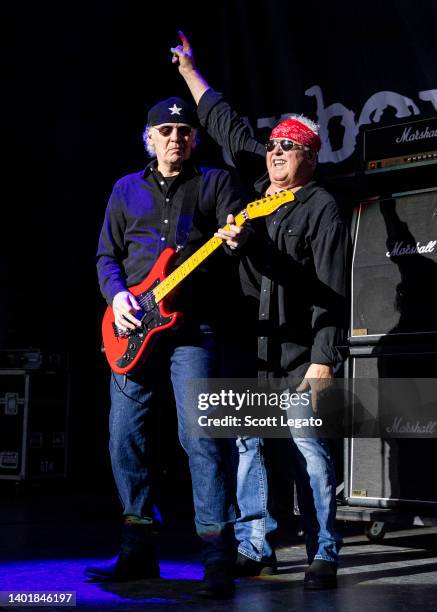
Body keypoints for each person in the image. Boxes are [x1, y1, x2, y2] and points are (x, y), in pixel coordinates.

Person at [172, 31, 350, 590]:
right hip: (253, 348)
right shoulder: (258, 196)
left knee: (307, 452)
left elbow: (332, 289)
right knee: (247, 447)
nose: (274, 151)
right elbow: (226, 124)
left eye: (288, 146)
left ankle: (324, 549)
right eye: (273, 145)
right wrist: (188, 73)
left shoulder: (321, 207)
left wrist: (324, 361)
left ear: (311, 157)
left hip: (300, 354)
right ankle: (256, 545)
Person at [88, 96, 249, 598]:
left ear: (195, 138)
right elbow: (105, 256)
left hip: (191, 329)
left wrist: (236, 237)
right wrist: (116, 299)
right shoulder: (124, 189)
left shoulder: (216, 182)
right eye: (166, 130)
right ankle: (137, 549)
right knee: (124, 438)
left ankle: (217, 557)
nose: (175, 137)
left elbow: (233, 230)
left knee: (200, 441)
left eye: (184, 130)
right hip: (132, 328)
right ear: (149, 137)